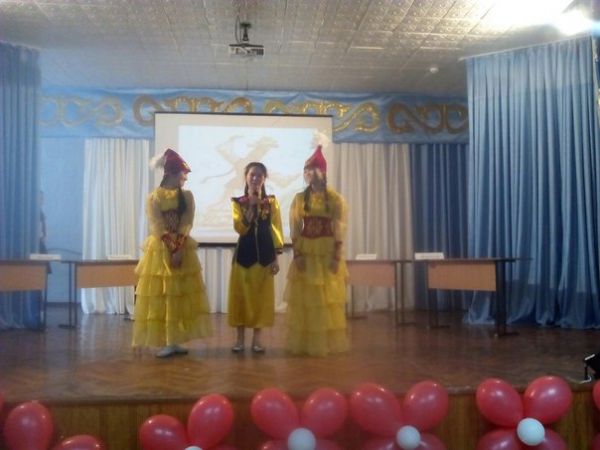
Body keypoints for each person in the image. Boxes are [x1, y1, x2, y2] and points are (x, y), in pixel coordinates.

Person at [132, 148, 212, 357]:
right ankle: (167, 340)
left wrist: (180, 247)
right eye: (183, 174)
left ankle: (175, 340)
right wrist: (172, 248)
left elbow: (187, 222)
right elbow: (157, 225)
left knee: (179, 295)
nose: (185, 178)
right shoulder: (154, 197)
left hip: (182, 248)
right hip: (161, 249)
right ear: (171, 174)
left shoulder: (187, 196)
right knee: (164, 294)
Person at [283, 135, 349, 356]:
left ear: (323, 172)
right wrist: (297, 254)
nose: (310, 173)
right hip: (307, 251)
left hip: (327, 252)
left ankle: (325, 342)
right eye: (307, 170)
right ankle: (306, 342)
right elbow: (294, 227)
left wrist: (336, 256)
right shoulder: (299, 199)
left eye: (313, 169)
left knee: (325, 298)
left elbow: (339, 227)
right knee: (307, 298)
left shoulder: (335, 199)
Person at [227, 162, 284, 353]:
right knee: (241, 299)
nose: (255, 178)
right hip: (243, 257)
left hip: (265, 258)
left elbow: (276, 229)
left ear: (264, 179)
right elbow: (240, 228)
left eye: (259, 175)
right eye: (252, 175)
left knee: (261, 299)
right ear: (246, 177)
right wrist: (251, 207)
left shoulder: (272, 202)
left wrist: (276, 257)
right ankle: (239, 339)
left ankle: (257, 340)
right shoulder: (238, 202)